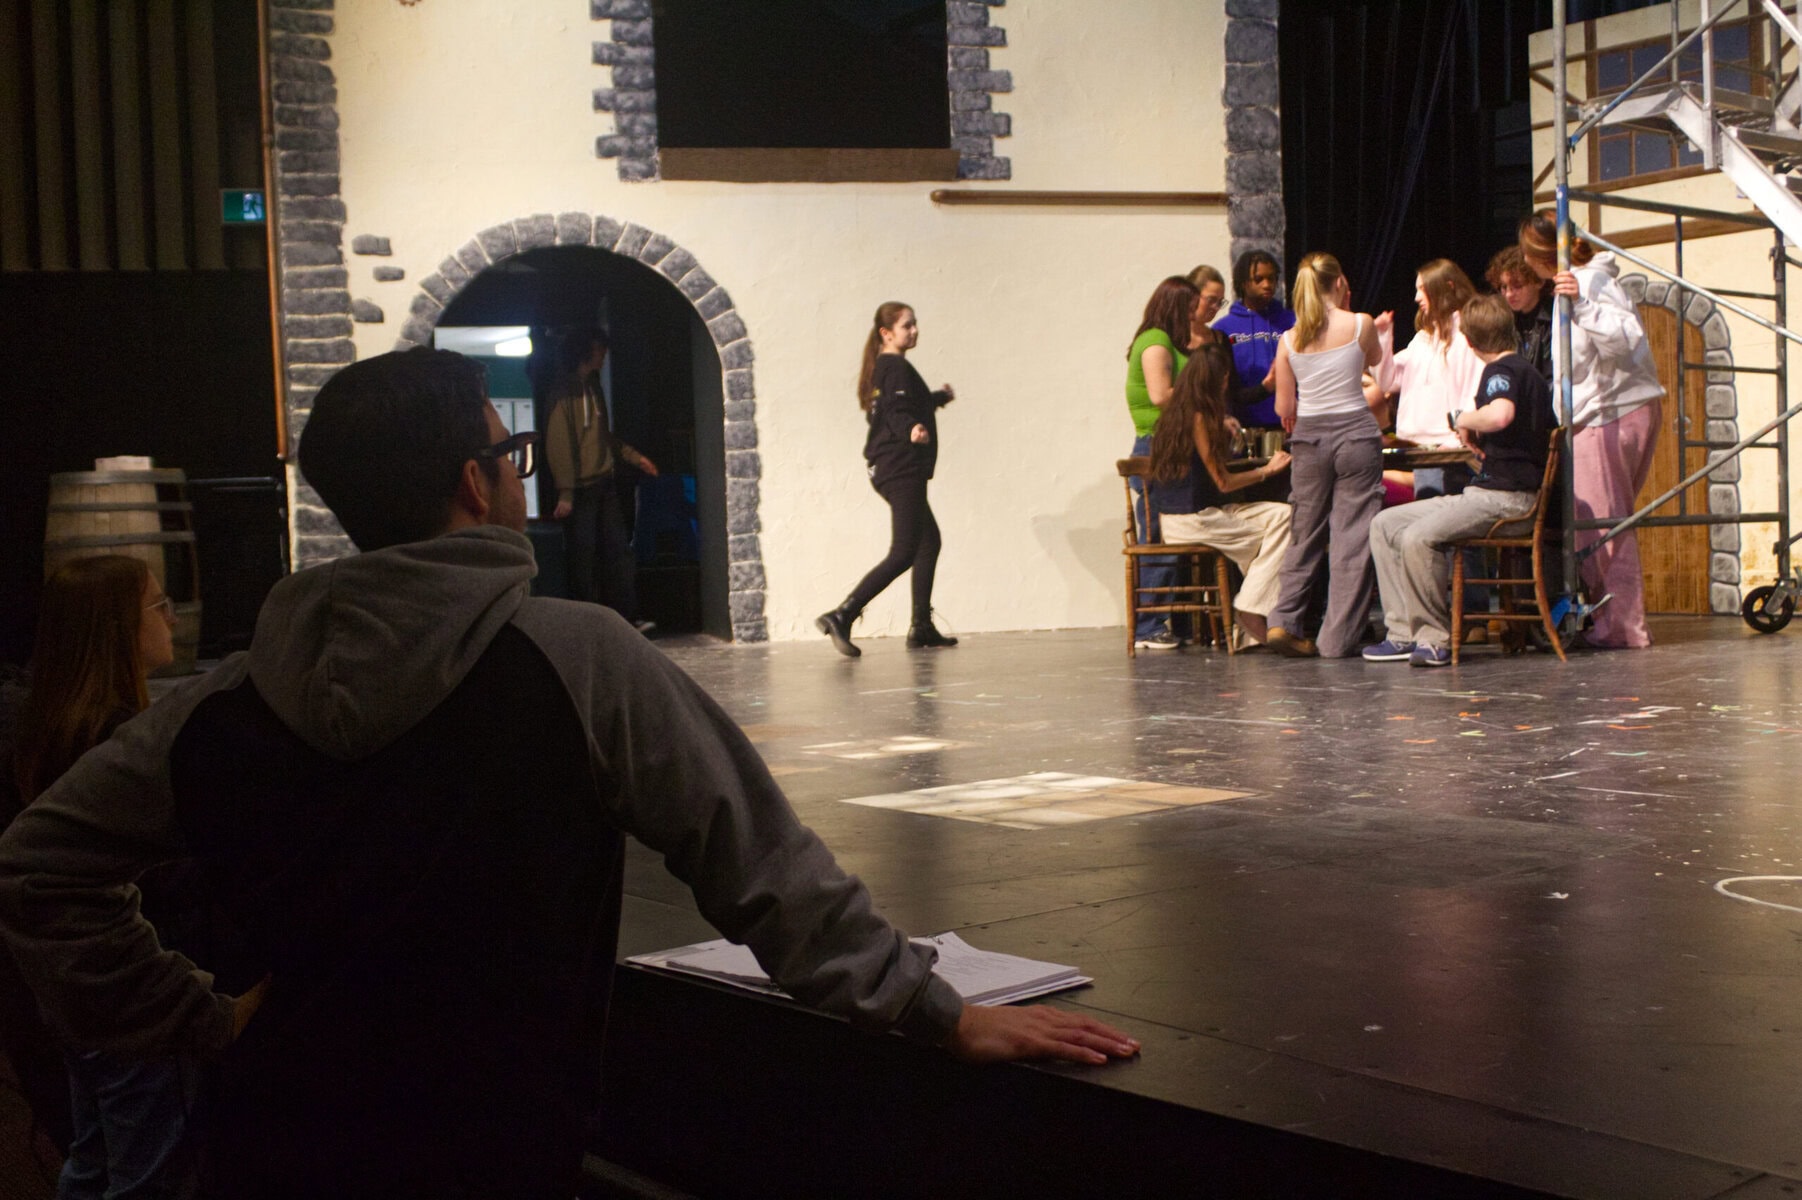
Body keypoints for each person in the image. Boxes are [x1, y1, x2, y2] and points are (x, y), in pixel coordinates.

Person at [0, 348, 1137, 1198]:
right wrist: (932, 1013)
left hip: (276, 1149)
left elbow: (39, 863)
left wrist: (188, 1019)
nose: (516, 475)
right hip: (502, 1153)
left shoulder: (225, 705)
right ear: (474, 482)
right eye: (510, 456)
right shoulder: (578, 659)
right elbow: (759, 865)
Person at [4, 555, 204, 1197]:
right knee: (150, 1175)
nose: (171, 617)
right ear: (117, 626)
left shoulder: (48, 724)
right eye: (157, 604)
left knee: (92, 1159)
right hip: (133, 988)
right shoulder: (118, 741)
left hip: (74, 991)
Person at [1363, 294, 1558, 667]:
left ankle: (1433, 639)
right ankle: (1403, 632)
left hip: (1508, 500)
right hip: (1487, 494)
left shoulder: (1503, 372)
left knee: (1417, 537)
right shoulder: (1523, 371)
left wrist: (1461, 418)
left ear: (1469, 340)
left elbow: (1500, 415)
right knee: (1384, 524)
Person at [1520, 209, 1665, 649]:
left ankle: (1623, 627)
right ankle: (1614, 621)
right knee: (1597, 525)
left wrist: (1581, 304)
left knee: (1603, 527)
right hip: (1608, 410)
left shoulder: (1589, 283)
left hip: (1608, 413)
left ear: (1536, 255)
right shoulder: (1583, 282)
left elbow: (1626, 341)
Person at [817, 302, 961, 657]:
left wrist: (938, 398)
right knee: (903, 551)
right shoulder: (893, 366)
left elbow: (905, 402)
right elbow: (897, 411)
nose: (914, 331)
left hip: (893, 467)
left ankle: (921, 626)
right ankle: (842, 613)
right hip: (900, 467)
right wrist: (910, 428)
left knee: (928, 542)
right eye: (907, 326)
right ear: (887, 333)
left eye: (915, 325)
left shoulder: (888, 367)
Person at [1263, 252, 1388, 659]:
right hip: (1355, 432)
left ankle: (1284, 619)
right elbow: (1375, 361)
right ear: (1339, 283)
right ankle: (1335, 640)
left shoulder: (1289, 339)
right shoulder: (1360, 323)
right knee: (1351, 537)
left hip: (1310, 439)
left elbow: (1284, 409)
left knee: (1305, 531)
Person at [1145, 352, 1294, 647]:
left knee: (1279, 519)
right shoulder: (1198, 417)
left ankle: (1248, 620)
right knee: (1278, 532)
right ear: (1213, 382)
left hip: (1182, 517)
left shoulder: (1174, 414)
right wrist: (1267, 470)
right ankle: (1250, 610)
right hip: (1194, 521)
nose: (1226, 385)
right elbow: (1224, 482)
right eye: (1224, 379)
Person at [544, 328, 658, 631]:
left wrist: (634, 457)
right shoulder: (564, 392)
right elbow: (559, 443)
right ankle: (584, 625)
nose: (604, 356)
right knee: (583, 558)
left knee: (618, 553)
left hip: (603, 483)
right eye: (600, 350)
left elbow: (603, 437)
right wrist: (566, 492)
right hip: (582, 489)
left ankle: (626, 619)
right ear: (586, 351)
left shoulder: (592, 387)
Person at [1115, 276, 1199, 651]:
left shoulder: (1165, 341)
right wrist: (1203, 389)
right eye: (1191, 307)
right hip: (1156, 448)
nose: (1196, 314)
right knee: (1156, 539)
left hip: (1169, 446)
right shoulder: (1155, 342)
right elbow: (1160, 393)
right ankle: (1148, 626)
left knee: (1166, 535)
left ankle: (1160, 621)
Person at [1376, 258, 1483, 499]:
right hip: (1424, 450)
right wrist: (1383, 338)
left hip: (1451, 451)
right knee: (1426, 510)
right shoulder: (1423, 339)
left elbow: (1472, 386)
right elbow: (1387, 381)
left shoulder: (1467, 334)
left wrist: (1461, 433)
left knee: (1442, 515)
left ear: (1445, 287)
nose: (1416, 297)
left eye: (1422, 289)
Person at [1212, 249, 1297, 429]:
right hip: (1243, 422)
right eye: (1259, 279)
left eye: (1272, 278)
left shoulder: (1292, 321)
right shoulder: (1223, 329)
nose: (1267, 285)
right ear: (1243, 283)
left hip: (1288, 421)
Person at [1486, 244, 1554, 382]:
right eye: (1504, 287)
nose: (1509, 294)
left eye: (1517, 286)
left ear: (1538, 282)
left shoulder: (1553, 318)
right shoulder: (1505, 321)